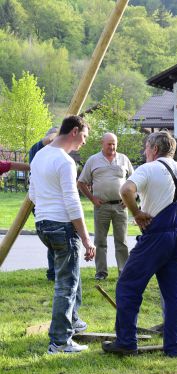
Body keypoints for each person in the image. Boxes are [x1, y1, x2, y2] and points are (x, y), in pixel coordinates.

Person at [102, 132, 177, 357]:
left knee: (128, 286)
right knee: (174, 294)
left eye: (146, 148)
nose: (145, 152)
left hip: (157, 235)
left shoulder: (148, 168)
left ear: (154, 149)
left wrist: (137, 213)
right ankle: (173, 348)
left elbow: (125, 190)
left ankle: (126, 342)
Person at [29, 115, 96, 354]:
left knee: (70, 275)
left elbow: (33, 195)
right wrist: (87, 239)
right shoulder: (65, 161)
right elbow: (72, 202)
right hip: (62, 226)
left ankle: (73, 319)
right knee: (66, 284)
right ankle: (59, 342)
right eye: (85, 137)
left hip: (42, 224)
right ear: (74, 131)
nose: (85, 143)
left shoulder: (39, 155)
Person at [77, 133, 134, 280]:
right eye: (109, 144)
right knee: (100, 241)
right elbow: (81, 182)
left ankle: (124, 272)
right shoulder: (93, 160)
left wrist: (129, 199)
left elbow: (135, 181)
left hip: (120, 207)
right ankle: (101, 272)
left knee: (121, 241)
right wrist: (92, 199)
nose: (112, 147)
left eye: (114, 143)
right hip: (101, 206)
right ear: (102, 143)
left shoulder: (123, 159)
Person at [29, 126, 59, 281]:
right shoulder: (38, 149)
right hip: (45, 204)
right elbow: (50, 139)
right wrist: (60, 132)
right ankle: (53, 273)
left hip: (52, 203)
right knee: (55, 239)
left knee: (56, 241)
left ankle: (54, 273)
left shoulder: (55, 154)